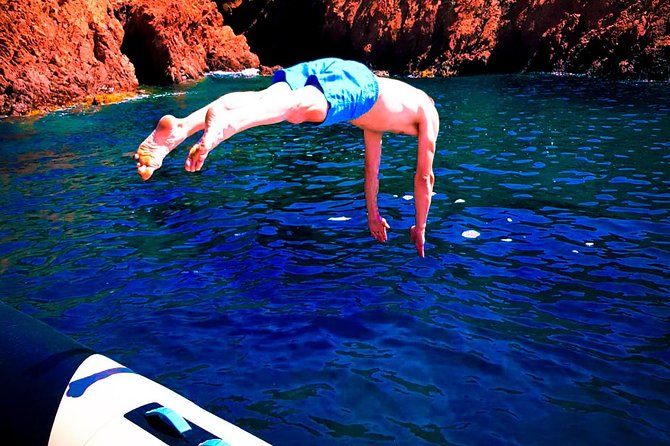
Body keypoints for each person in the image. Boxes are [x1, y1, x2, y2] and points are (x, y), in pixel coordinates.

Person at [135, 58, 438, 257]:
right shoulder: (427, 109)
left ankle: (180, 128)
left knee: (268, 99)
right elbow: (425, 177)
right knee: (297, 109)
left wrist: (372, 214)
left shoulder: (378, 121)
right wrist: (420, 227)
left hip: (345, 70)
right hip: (361, 86)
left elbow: (371, 171)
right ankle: (227, 125)